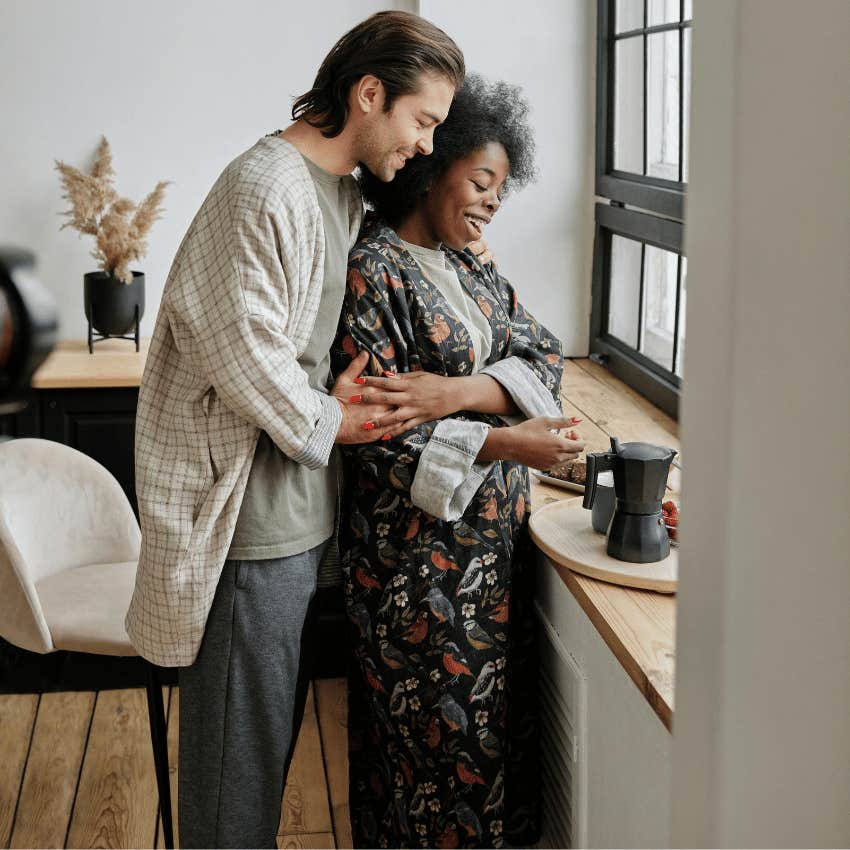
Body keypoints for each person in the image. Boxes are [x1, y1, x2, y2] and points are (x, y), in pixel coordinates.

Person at [124, 12, 467, 849]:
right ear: (369, 93)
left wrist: (338, 393)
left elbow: (297, 341)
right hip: (250, 526)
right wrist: (333, 418)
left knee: (262, 747)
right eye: (422, 122)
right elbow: (244, 353)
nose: (425, 146)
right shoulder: (264, 185)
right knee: (231, 774)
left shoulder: (339, 194)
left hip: (295, 516)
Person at [331, 74, 585, 849]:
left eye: (501, 189)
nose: (492, 204)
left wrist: (456, 390)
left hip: (490, 558)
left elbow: (541, 355)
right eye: (482, 182)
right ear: (429, 166)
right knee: (430, 751)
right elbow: (371, 427)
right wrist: (509, 438)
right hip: (414, 569)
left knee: (488, 751)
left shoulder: (471, 264)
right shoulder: (374, 270)